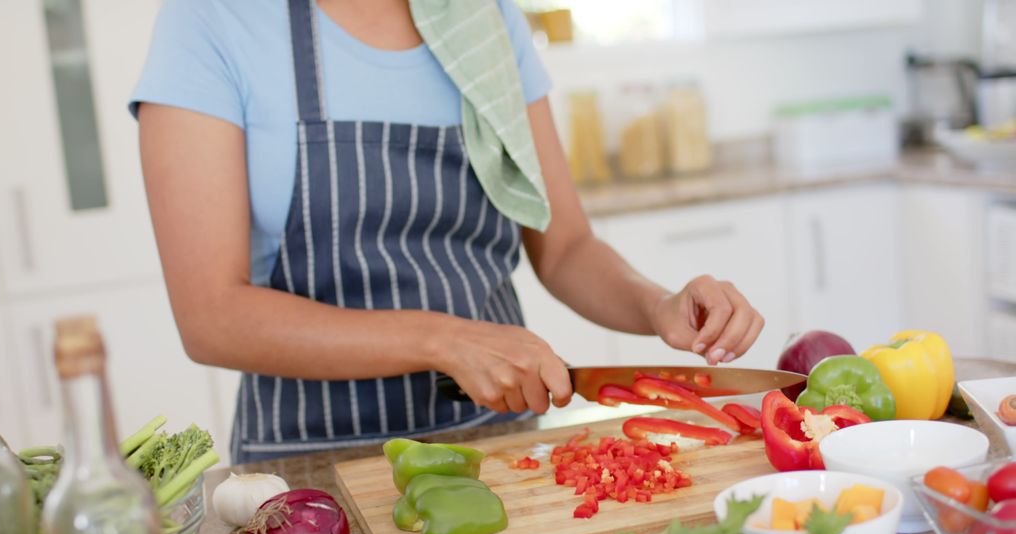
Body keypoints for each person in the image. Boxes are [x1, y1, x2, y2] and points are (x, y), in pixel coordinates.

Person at [131, 0, 765, 464]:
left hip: (494, 450)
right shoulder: (212, 21)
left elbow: (565, 246)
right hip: (308, 473)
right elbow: (211, 316)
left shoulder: (485, 21)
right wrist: (442, 339)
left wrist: (659, 305)